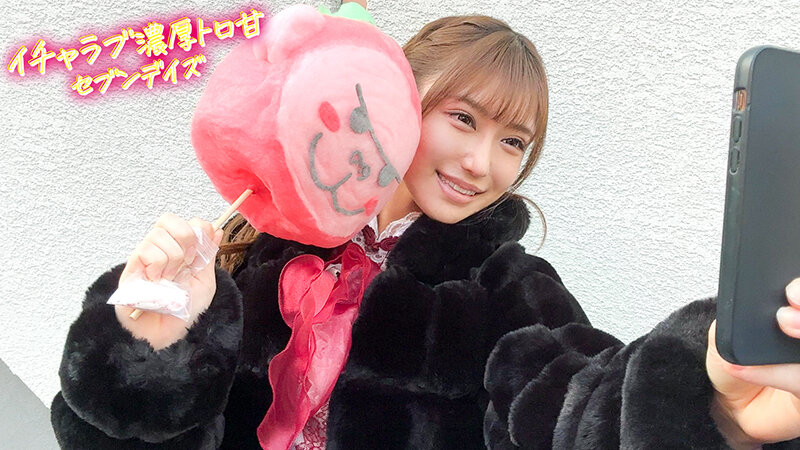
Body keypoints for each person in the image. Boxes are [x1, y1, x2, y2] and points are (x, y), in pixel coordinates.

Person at [49, 2, 800, 449]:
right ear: (398, 99)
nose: (481, 162)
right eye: (463, 119)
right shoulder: (265, 246)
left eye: (513, 142)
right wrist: (147, 347)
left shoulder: (506, 288)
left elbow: (571, 406)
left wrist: (708, 400)